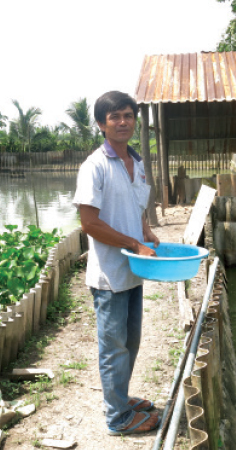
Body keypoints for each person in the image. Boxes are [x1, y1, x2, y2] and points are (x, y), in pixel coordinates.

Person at [72, 90, 161, 435]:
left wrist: (146, 232)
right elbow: (90, 224)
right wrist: (133, 243)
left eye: (128, 115)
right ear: (100, 124)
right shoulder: (94, 167)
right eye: (115, 117)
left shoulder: (136, 162)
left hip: (133, 272)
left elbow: (135, 208)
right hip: (110, 277)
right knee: (114, 349)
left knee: (131, 343)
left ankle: (121, 399)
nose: (123, 122)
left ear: (135, 120)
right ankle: (117, 419)